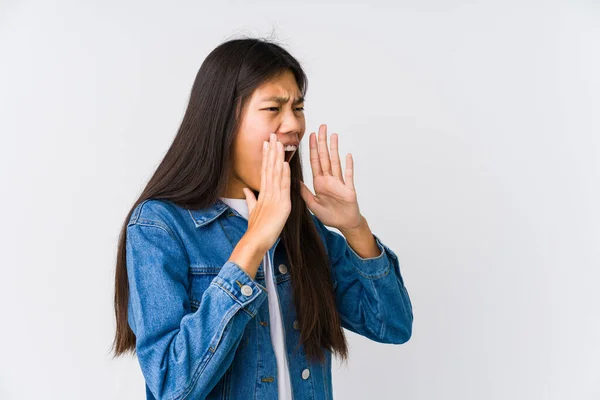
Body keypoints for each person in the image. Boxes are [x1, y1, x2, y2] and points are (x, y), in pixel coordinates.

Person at [111, 37, 413, 400]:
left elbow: (392, 325)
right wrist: (252, 244)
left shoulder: (301, 225)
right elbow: (172, 387)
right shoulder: (159, 227)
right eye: (273, 108)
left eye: (298, 108)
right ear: (223, 119)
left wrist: (354, 228)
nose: (293, 125)